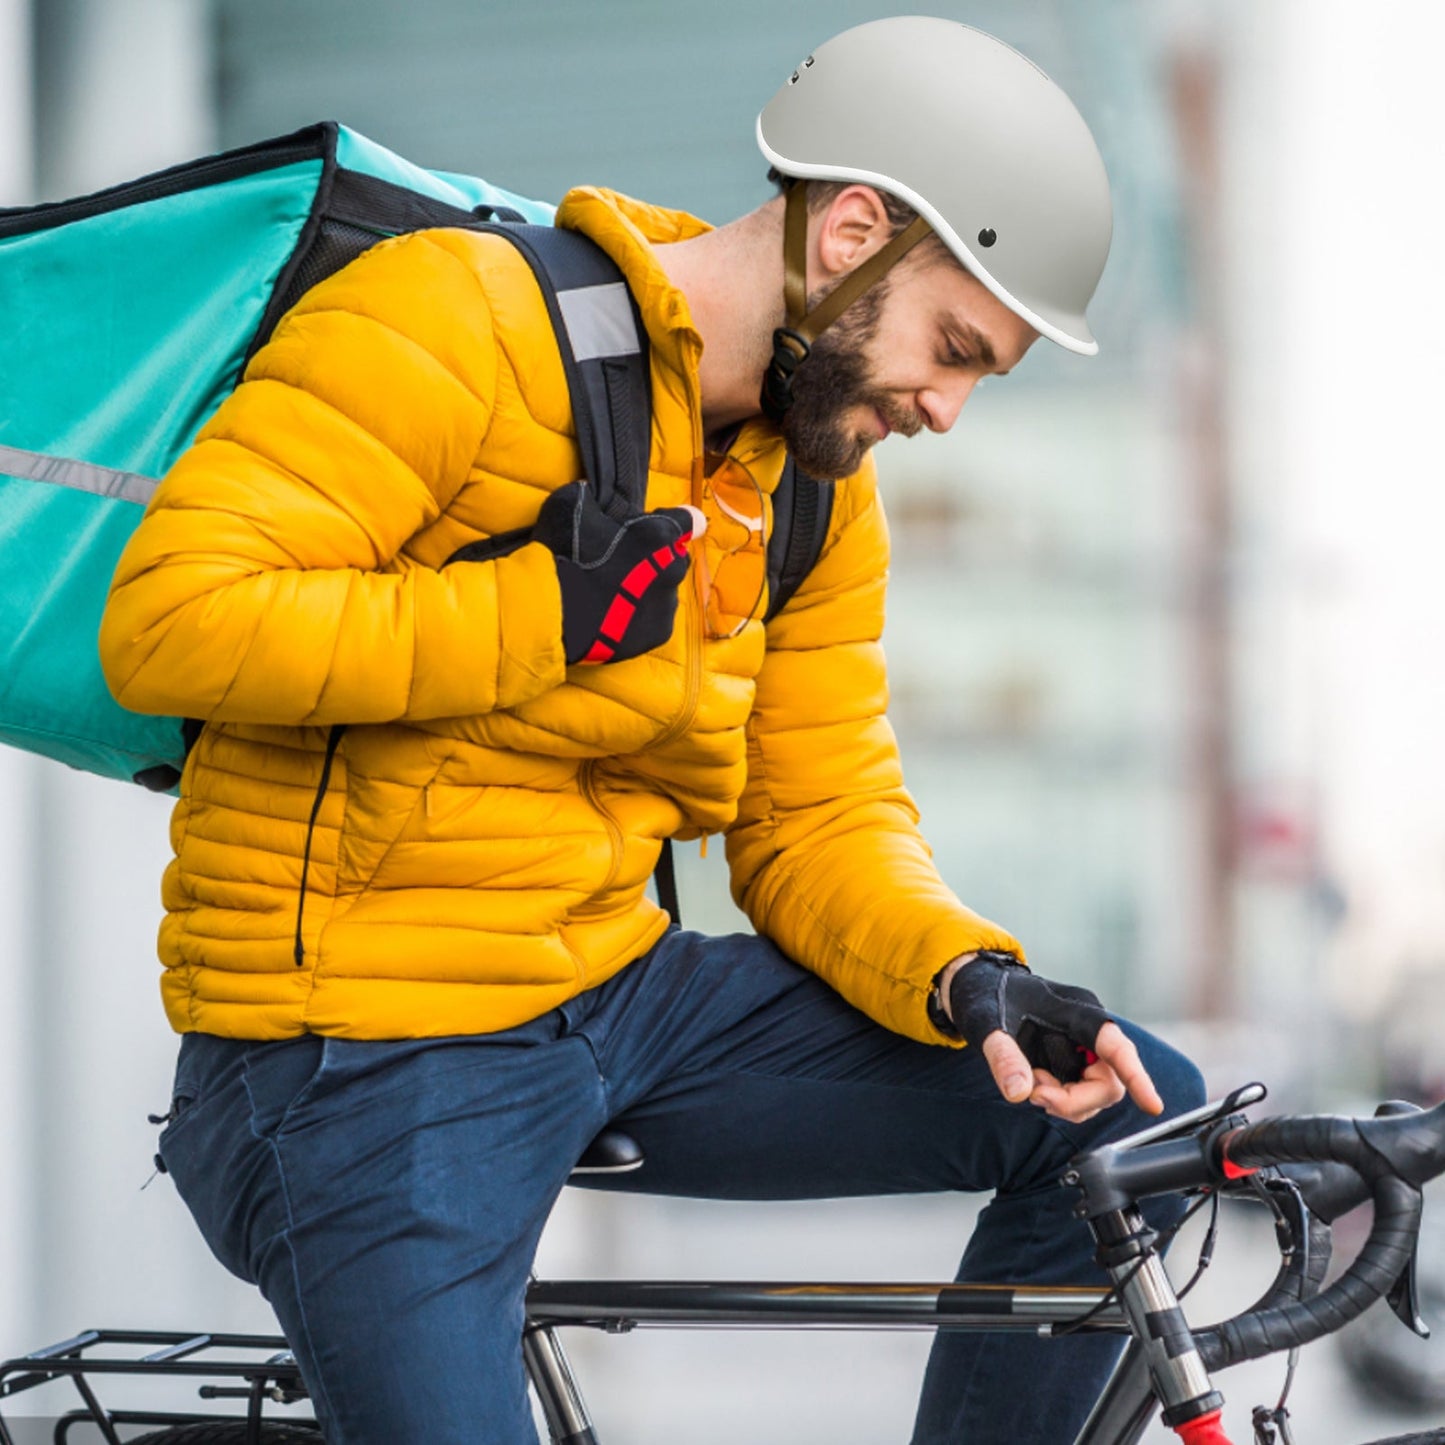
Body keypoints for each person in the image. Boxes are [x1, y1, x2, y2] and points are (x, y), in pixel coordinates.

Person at [99, 16, 1205, 1444]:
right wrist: (543, 616)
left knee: (1128, 1112)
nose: (944, 407)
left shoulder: (813, 490)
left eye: (979, 374)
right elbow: (171, 619)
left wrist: (964, 975)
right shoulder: (460, 318)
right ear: (847, 229)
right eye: (949, 347)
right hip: (360, 1039)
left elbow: (814, 818)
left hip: (613, 996)